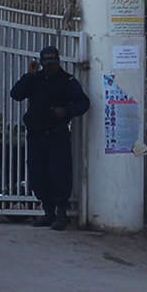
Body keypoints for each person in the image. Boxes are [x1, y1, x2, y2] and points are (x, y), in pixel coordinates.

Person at [9, 45, 89, 230]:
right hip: (36, 134)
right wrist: (29, 75)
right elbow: (16, 94)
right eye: (46, 61)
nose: (50, 64)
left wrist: (66, 111)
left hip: (56, 134)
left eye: (53, 60)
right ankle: (48, 212)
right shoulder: (36, 80)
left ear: (58, 60)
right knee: (38, 174)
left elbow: (83, 103)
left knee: (59, 174)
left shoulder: (67, 81)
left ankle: (61, 213)